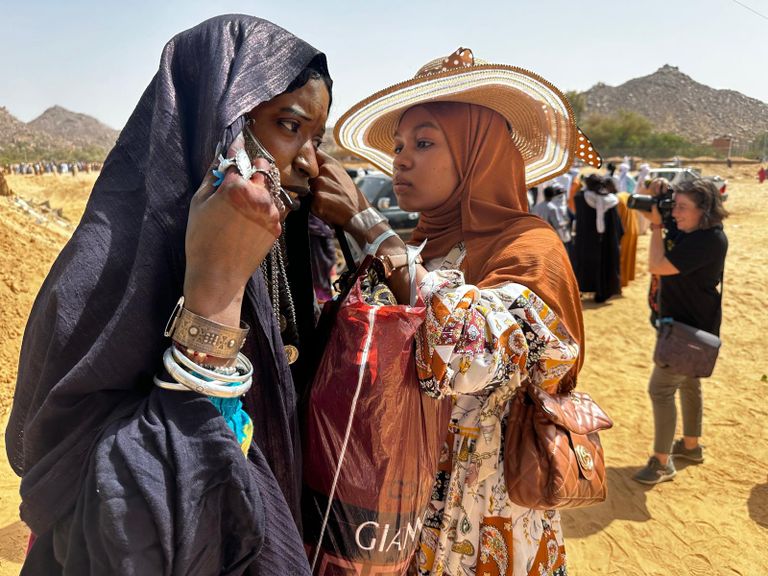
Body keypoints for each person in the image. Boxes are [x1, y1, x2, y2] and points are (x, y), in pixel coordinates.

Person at [5, 15, 364, 574]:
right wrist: (212, 302)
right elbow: (119, 512)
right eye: (288, 126)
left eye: (315, 138)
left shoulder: (264, 261)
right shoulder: (102, 271)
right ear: (217, 118)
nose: (309, 163)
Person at [335, 47, 601, 576]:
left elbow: (470, 354)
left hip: (481, 516)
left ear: (478, 155)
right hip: (405, 505)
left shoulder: (529, 246)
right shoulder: (423, 244)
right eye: (400, 146)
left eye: (425, 142)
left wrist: (372, 230)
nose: (401, 159)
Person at [633, 178, 729, 485]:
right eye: (674, 205)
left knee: (660, 390)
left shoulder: (708, 240)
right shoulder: (694, 230)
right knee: (689, 384)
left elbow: (658, 265)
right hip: (690, 325)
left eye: (683, 207)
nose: (675, 213)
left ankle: (662, 463)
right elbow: (661, 215)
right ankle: (690, 446)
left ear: (705, 210)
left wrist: (657, 227)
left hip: (686, 331)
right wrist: (657, 195)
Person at [573, 173, 623, 302]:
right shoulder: (612, 200)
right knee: (606, 264)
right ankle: (603, 292)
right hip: (607, 241)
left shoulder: (580, 198)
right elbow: (616, 225)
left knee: (587, 265)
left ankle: (586, 288)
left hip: (587, 241)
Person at [608, 177, 639, 287]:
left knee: (620, 258)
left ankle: (620, 283)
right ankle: (624, 281)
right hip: (633, 229)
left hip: (623, 231)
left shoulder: (615, 199)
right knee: (628, 257)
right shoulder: (625, 194)